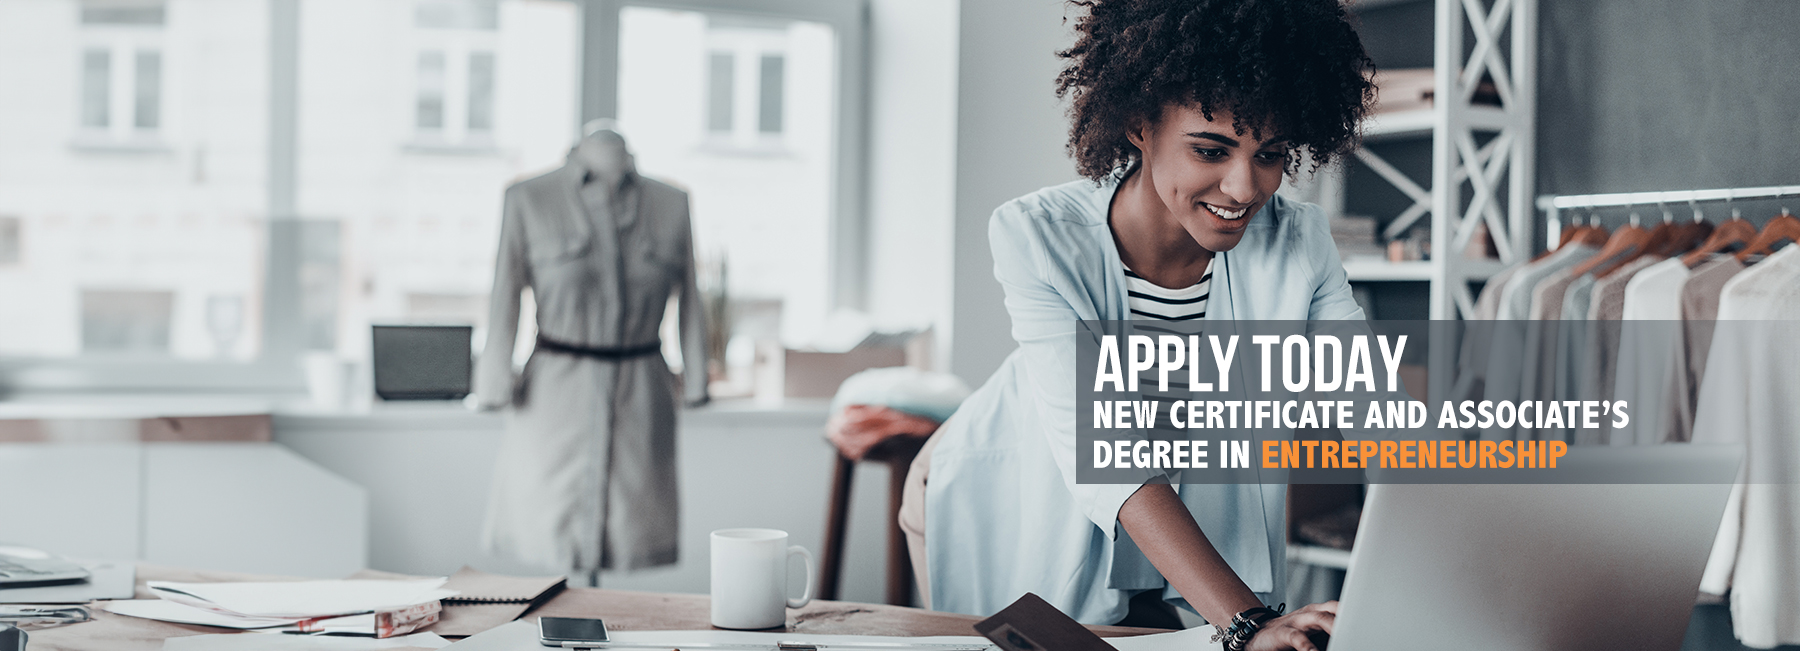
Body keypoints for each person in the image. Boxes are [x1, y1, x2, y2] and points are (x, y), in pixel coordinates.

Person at [898, 1, 1375, 650]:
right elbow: (1112, 460)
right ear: (1138, 124)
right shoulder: (1036, 236)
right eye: (1211, 149)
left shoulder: (1299, 240)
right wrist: (1246, 623)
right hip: (1006, 490)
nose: (1243, 187)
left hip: (1171, 511)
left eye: (1270, 153)